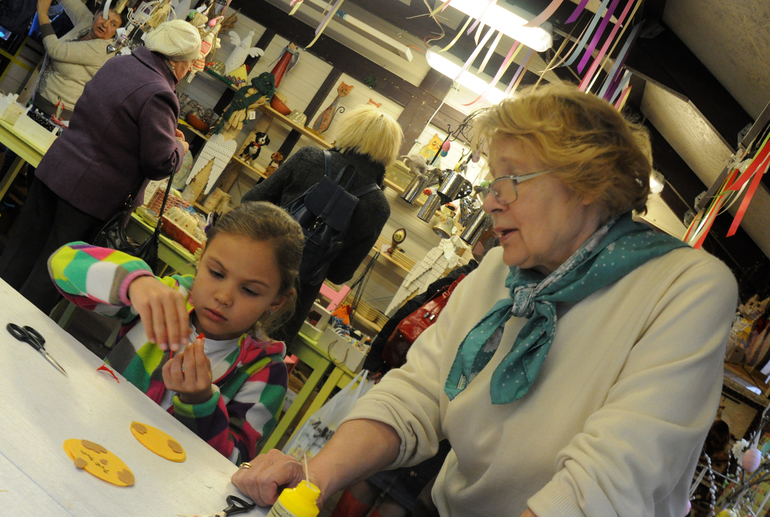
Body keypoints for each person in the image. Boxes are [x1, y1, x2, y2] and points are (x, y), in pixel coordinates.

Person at [231, 83, 739, 517]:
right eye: (491, 181)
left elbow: (610, 480)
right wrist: (313, 478)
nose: (490, 200)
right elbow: (419, 393)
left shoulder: (685, 287)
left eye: (509, 180)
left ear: (588, 181)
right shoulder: (500, 271)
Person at [48, 201, 304, 464]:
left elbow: (233, 463)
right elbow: (62, 263)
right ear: (201, 259)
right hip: (92, 440)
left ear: (276, 301)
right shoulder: (167, 300)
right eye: (216, 273)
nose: (224, 297)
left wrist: (200, 402)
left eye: (249, 291)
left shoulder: (266, 372)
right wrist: (135, 283)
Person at [0, 19, 200, 314]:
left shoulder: (118, 64)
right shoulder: (160, 93)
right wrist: (179, 147)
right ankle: (17, 332)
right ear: (178, 61)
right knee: (54, 273)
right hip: (89, 197)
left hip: (56, 169)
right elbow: (160, 163)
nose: (190, 69)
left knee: (20, 251)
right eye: (191, 63)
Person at [242, 104, 403, 347]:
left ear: (350, 129)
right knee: (258, 364)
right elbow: (340, 275)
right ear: (389, 150)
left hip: (249, 275)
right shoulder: (379, 206)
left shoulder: (310, 157)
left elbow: (250, 201)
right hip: (290, 308)